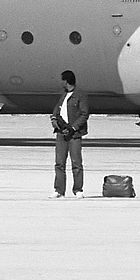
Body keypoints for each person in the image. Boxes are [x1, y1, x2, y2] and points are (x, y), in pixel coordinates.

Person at [51, 70, 89, 198]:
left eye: (62, 80)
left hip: (74, 134)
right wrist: (54, 119)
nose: (61, 83)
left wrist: (73, 127)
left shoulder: (80, 95)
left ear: (66, 81)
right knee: (59, 163)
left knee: (76, 163)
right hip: (61, 133)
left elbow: (84, 114)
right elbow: (57, 109)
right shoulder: (64, 95)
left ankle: (78, 190)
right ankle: (59, 190)